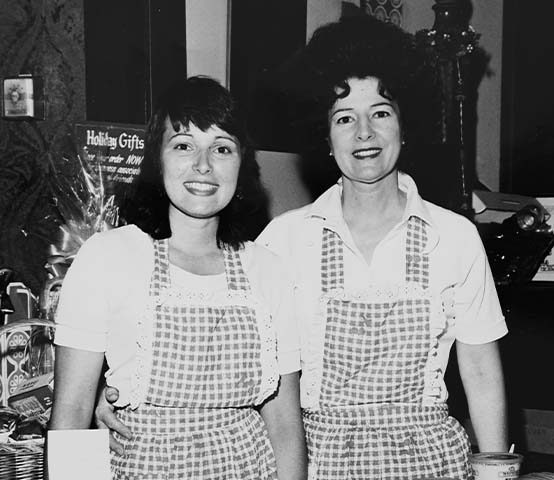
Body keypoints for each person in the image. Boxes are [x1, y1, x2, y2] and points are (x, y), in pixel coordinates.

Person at [96, 15, 509, 479]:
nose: (364, 134)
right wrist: (111, 389)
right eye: (344, 118)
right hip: (315, 463)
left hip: (429, 461)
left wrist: (497, 472)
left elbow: (479, 370)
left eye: (381, 113)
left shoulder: (453, 237)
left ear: (405, 124)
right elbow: (227, 360)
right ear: (324, 136)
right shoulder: (283, 241)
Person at [49, 76, 307, 479]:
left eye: (222, 148)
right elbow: (71, 415)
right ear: (158, 159)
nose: (203, 165)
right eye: (184, 145)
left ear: (242, 163)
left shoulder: (269, 270)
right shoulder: (106, 257)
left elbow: (285, 426)